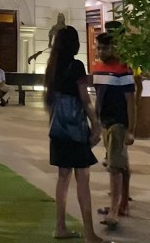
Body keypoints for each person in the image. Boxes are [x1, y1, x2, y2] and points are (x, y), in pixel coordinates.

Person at [44, 25, 110, 243]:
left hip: (58, 129)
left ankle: (59, 226)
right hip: (74, 130)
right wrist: (96, 124)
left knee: (63, 177)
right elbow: (84, 100)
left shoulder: (52, 67)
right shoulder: (77, 65)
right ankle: (89, 232)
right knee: (83, 178)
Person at [92, 32, 136, 230]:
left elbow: (130, 102)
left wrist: (130, 130)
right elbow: (98, 97)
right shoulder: (98, 68)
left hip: (118, 123)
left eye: (105, 48)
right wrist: (95, 121)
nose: (101, 51)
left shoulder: (123, 70)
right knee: (120, 164)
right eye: (99, 47)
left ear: (114, 48)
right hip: (104, 123)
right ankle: (122, 205)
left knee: (115, 167)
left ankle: (114, 211)